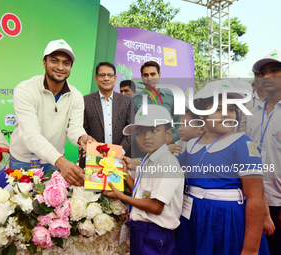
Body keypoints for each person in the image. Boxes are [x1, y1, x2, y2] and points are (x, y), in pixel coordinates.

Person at [176, 80, 269, 255]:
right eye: (218, 109)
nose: (227, 115)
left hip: (227, 221)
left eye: (231, 109)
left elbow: (255, 198)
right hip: (194, 218)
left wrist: (250, 249)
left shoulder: (241, 143)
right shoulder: (191, 145)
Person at [10, 39, 94, 186]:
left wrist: (82, 138)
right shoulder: (25, 89)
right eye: (54, 61)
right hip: (22, 161)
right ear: (44, 63)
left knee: (52, 206)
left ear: (71, 67)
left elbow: (75, 128)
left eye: (66, 63)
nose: (60, 67)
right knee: (18, 206)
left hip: (53, 161)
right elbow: (31, 135)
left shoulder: (76, 95)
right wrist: (61, 162)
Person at [104, 104, 184, 255]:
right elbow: (140, 192)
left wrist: (121, 196)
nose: (146, 136)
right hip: (142, 230)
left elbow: (155, 207)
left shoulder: (166, 163)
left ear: (168, 134)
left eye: (154, 130)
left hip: (155, 234)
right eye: (141, 131)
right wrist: (125, 173)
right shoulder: (150, 158)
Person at [248, 48, 281, 255]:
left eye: (274, 70)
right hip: (251, 198)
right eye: (261, 73)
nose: (266, 76)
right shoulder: (250, 113)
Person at [83, 62, 131, 156]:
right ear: (96, 78)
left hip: (121, 157)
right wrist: (91, 150)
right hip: (93, 157)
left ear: (115, 78)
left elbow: (131, 131)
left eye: (110, 75)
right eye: (102, 75)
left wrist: (119, 152)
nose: (106, 78)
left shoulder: (128, 101)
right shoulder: (85, 101)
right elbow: (82, 131)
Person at [132, 61, 180, 144]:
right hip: (141, 149)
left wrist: (170, 140)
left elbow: (181, 123)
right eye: (146, 75)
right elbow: (129, 124)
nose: (149, 78)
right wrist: (138, 141)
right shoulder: (134, 99)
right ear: (142, 77)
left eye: (153, 74)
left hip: (166, 148)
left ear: (159, 75)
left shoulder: (172, 97)